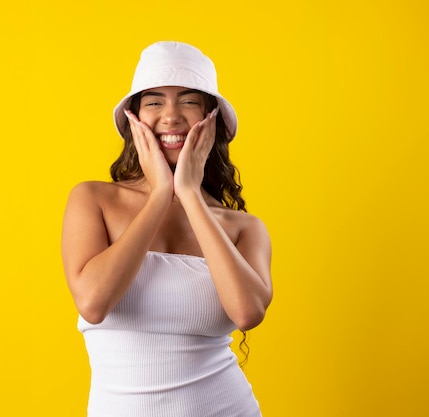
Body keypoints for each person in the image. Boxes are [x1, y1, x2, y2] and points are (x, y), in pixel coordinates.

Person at [61, 41, 273, 417]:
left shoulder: (243, 227)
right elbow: (93, 304)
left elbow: (247, 313)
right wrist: (160, 193)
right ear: (135, 119)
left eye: (189, 102)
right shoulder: (93, 200)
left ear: (212, 121)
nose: (171, 116)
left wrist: (189, 193)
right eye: (155, 102)